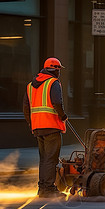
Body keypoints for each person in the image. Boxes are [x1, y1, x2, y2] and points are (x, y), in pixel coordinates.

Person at [23, 57, 67, 198]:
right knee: (51, 158)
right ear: (55, 69)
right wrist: (63, 116)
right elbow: (56, 102)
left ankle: (42, 188)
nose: (59, 73)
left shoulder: (30, 85)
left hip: (37, 127)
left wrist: (31, 124)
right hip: (51, 126)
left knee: (43, 158)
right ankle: (48, 189)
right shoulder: (53, 83)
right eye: (59, 69)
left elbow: (25, 107)